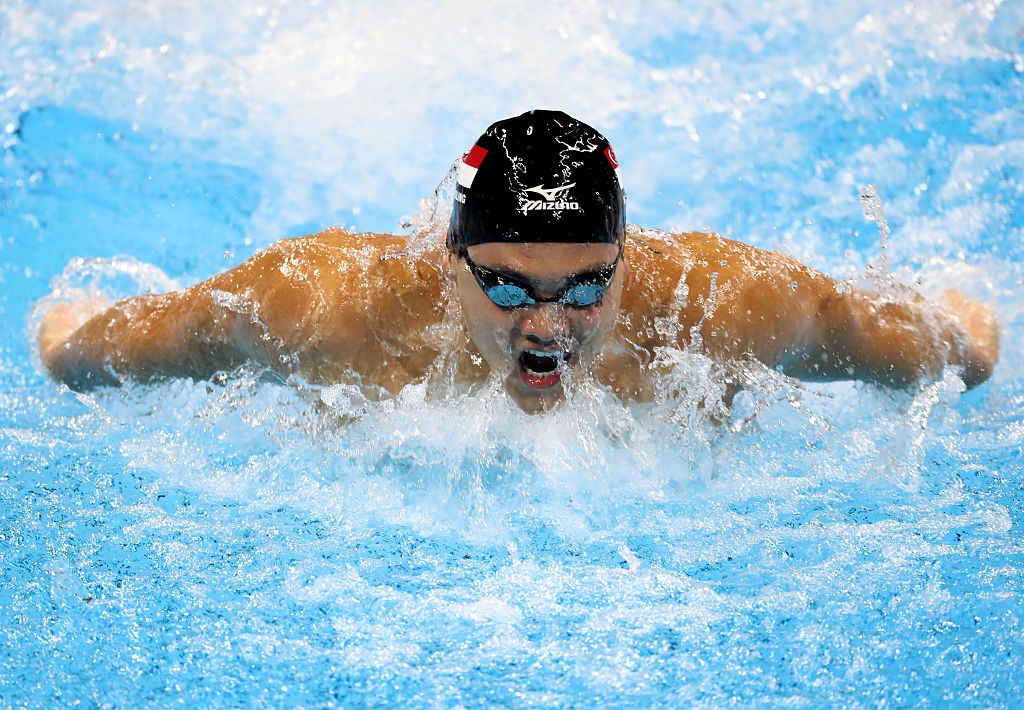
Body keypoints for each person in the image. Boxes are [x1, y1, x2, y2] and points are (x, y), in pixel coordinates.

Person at [37, 110, 999, 413]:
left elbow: (937, 344)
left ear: (628, 260)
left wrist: (970, 338)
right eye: (504, 285)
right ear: (445, 256)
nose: (547, 326)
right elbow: (110, 344)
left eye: (588, 286)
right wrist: (64, 342)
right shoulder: (318, 307)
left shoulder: (724, 306)